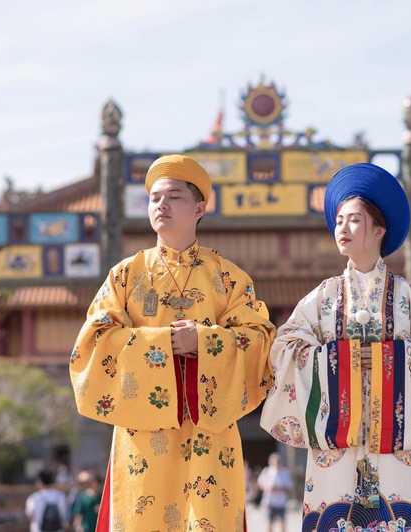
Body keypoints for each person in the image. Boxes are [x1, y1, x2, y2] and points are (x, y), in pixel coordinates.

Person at [260, 163, 411, 531]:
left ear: (379, 229)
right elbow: (284, 349)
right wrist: (338, 363)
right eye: (339, 219)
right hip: (336, 445)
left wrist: (390, 361)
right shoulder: (321, 299)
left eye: (354, 220)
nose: (342, 227)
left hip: (399, 449)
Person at [70, 154, 276, 531]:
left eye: (173, 197)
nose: (161, 205)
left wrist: (205, 342)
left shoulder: (228, 279)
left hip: (208, 434)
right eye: (153, 198)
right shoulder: (125, 275)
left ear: (200, 207)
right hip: (143, 437)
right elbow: (94, 341)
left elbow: (260, 340)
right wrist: (163, 344)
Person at [257, 452, 293, 532]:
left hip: (281, 502)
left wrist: (279, 489)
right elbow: (260, 484)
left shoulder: (285, 472)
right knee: (269, 524)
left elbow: (290, 487)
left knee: (283, 524)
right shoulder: (267, 471)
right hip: (269, 502)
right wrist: (269, 488)